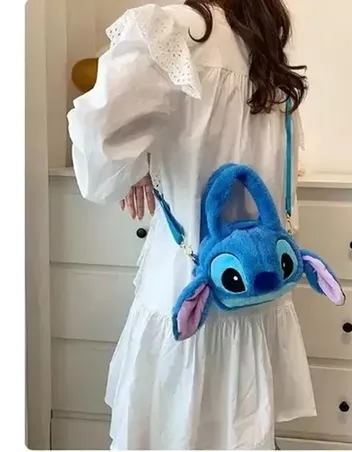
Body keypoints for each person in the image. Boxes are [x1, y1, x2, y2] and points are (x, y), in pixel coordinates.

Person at [67, 0, 313, 449]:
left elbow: (97, 148)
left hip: (186, 294)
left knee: (171, 431)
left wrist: (134, 166)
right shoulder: (264, 49)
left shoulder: (173, 32)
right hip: (252, 304)